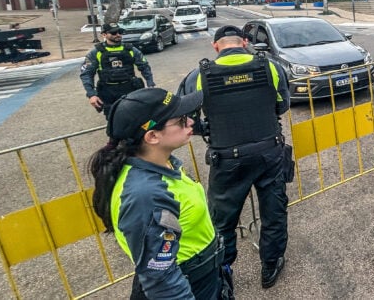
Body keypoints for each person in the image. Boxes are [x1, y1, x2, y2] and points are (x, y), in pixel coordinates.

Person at [87, 88, 232, 299]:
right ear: (152, 136)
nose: (191, 123)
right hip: (188, 283)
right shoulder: (146, 195)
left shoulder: (161, 164)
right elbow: (161, 280)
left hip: (205, 273)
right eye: (181, 120)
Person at [179, 25, 291, 289]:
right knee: (273, 211)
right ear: (243, 42)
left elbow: (185, 118)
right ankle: (270, 264)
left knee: (222, 221)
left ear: (216, 46)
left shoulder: (199, 75)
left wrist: (208, 128)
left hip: (227, 159)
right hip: (269, 152)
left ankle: (223, 272)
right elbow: (283, 105)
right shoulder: (271, 67)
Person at [80, 22, 155, 118]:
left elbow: (144, 66)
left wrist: (150, 83)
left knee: (139, 117)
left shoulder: (130, 49)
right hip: (109, 91)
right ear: (104, 34)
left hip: (130, 88)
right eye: (114, 33)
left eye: (119, 32)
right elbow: (86, 74)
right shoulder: (96, 52)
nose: (118, 34)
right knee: (115, 120)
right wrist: (91, 94)